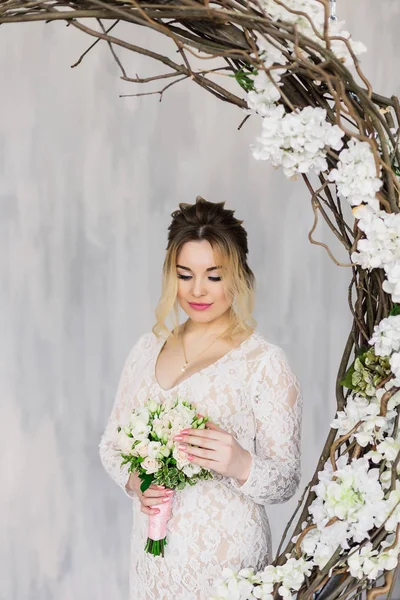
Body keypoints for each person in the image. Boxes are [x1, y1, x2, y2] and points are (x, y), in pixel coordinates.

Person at [99, 196, 303, 599]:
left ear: (238, 275)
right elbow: (111, 444)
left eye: (214, 275)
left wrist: (239, 462)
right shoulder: (146, 349)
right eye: (184, 274)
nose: (197, 290)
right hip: (152, 565)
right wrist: (137, 480)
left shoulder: (264, 362)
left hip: (227, 566)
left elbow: (285, 482)